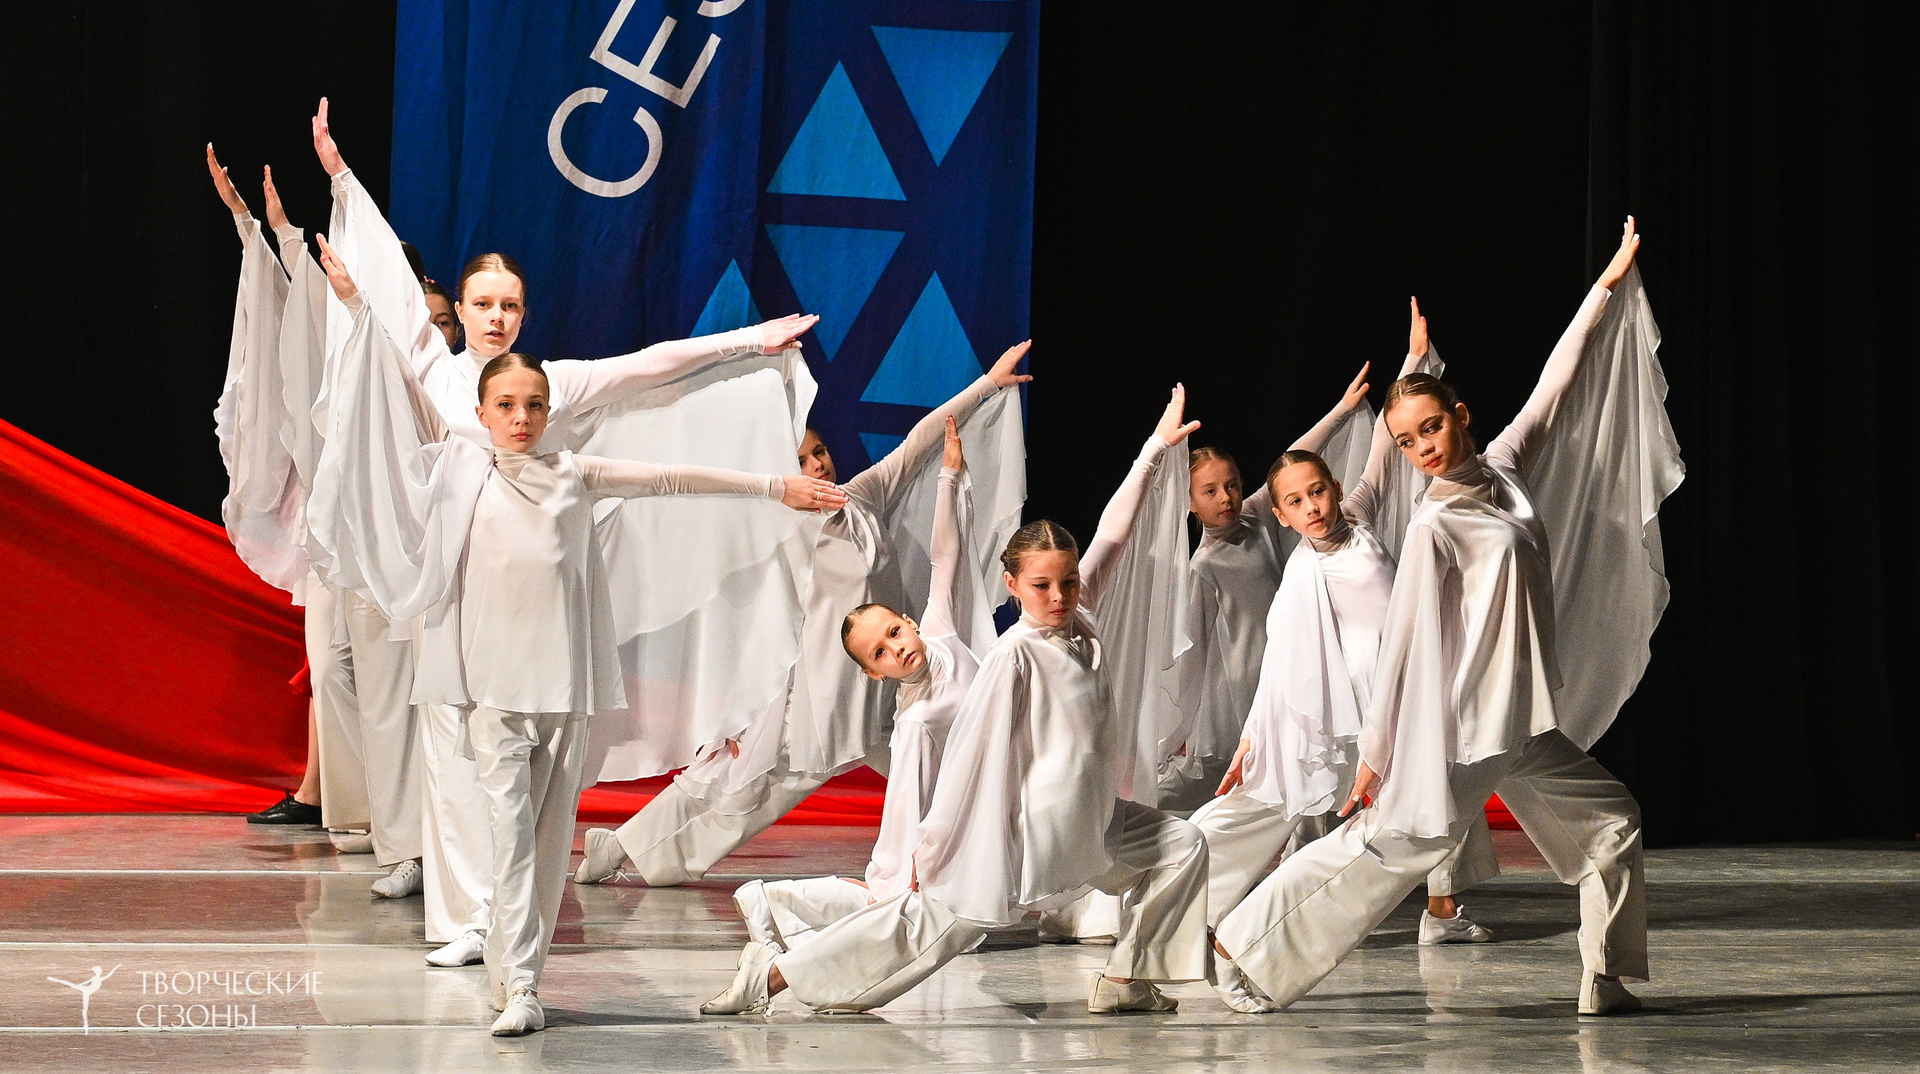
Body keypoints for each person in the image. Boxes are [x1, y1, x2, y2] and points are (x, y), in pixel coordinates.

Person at [311, 99, 822, 962]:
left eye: (509, 304)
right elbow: (386, 303)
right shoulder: (438, 376)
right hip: (455, 589)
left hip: (529, 598)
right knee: (453, 753)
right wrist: (341, 180)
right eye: (483, 303)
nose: (496, 316)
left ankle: (511, 920)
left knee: (519, 766)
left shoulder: (550, 386)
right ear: (460, 307)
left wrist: (749, 340)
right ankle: (468, 921)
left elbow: (649, 365)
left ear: (524, 312)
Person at [1212, 219, 1676, 1018]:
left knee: (1612, 825)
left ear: (1460, 414)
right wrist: (1380, 749)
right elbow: (1404, 643)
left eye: (1430, 427)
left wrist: (1606, 287)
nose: (1422, 446)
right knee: (1388, 845)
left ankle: (1603, 980)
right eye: (1405, 440)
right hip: (1467, 727)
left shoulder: (1505, 470)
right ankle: (1242, 941)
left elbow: (1556, 383)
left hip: (1521, 721)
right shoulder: (1433, 524)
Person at [701, 388, 1207, 1017]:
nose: (1058, 596)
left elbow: (1113, 534)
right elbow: (971, 754)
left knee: (1182, 845)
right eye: (1042, 586)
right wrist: (936, 842)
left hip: (1093, 818)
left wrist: (1154, 450)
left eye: (1068, 582)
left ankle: (1127, 978)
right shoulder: (1013, 655)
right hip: (1030, 835)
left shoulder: (1083, 618)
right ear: (1012, 586)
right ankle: (774, 974)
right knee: (923, 931)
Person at [575, 344, 1030, 888]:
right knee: (743, 786)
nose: (818, 465)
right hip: (819, 698)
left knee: (951, 768)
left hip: (891, 681)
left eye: (820, 452)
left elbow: (919, 440)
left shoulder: (862, 497)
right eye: (802, 461)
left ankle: (1000, 862)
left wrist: (987, 385)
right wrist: (736, 709)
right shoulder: (770, 529)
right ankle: (627, 848)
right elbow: (741, 624)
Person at [732, 417, 992, 951]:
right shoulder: (914, 723)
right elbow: (908, 810)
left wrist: (948, 476)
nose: (897, 648)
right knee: (891, 900)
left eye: (895, 633)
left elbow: (946, 555)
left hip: (982, 791)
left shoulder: (939, 629)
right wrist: (913, 867)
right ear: (876, 673)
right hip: (930, 816)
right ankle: (773, 900)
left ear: (909, 621)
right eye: (881, 653)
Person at [205, 146, 335, 832]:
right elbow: (292, 320)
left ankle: (356, 800)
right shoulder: (343, 340)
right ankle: (321, 792)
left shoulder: (453, 374)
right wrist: (258, 230)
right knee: (330, 665)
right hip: (342, 527)